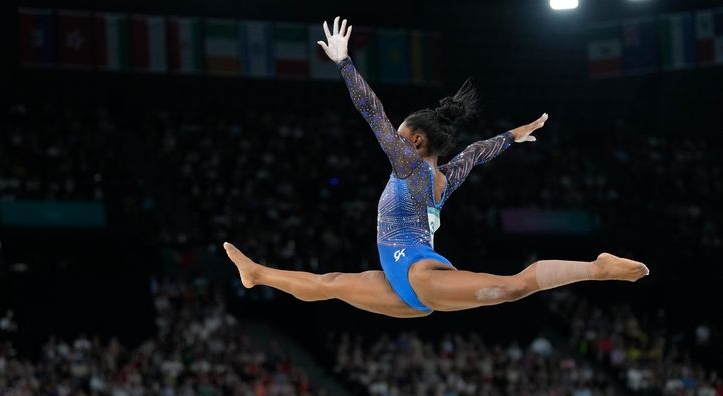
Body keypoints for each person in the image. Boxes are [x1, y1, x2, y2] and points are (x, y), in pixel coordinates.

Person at [224, 16, 649, 318]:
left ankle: (597, 268)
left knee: (511, 287)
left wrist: (345, 64)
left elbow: (373, 112)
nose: (395, 137)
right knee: (328, 285)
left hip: (416, 272)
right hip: (404, 285)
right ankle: (256, 273)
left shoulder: (408, 165)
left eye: (401, 133)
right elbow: (478, 151)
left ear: (413, 141)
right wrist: (513, 136)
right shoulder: (443, 177)